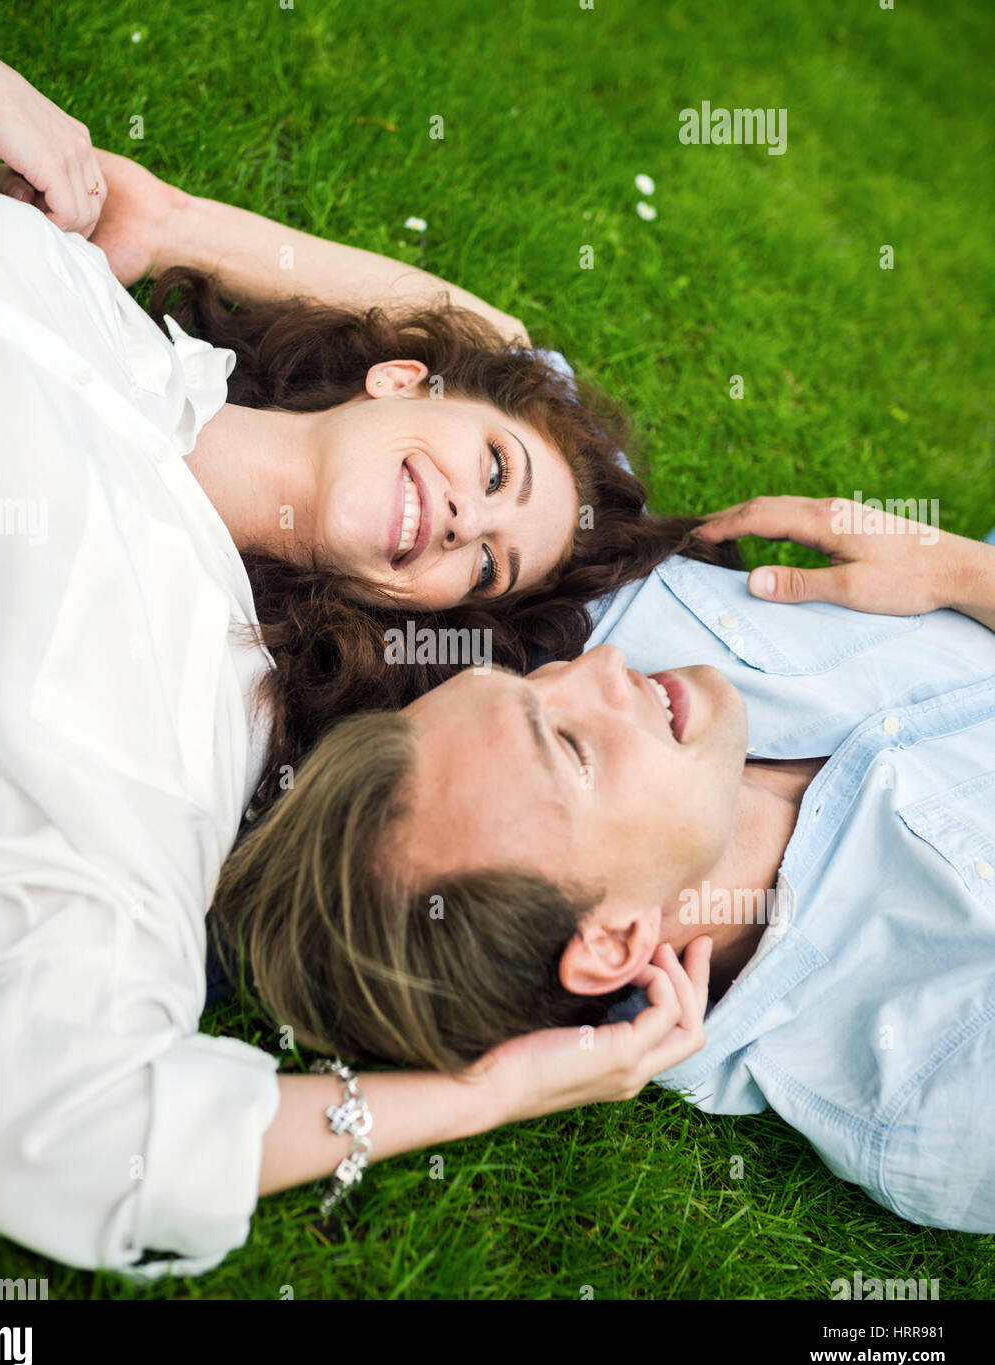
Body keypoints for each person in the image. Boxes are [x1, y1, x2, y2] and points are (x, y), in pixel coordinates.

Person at [0, 39, 714, 1277]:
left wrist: (487, 1092)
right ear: (398, 377)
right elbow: (506, 338)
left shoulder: (174, 727)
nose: (466, 524)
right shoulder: (72, 278)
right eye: (495, 468)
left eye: (485, 569)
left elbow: (67, 1147)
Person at [220, 497, 995, 1231]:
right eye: (569, 747)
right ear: (612, 943)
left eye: (531, 681)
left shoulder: (616, 621)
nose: (598, 665)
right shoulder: (937, 1084)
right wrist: (968, 578)